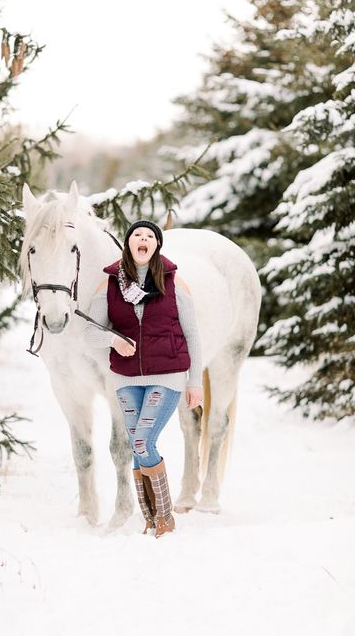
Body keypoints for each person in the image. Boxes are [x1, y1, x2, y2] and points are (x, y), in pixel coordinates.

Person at [84, 220, 204, 538]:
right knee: (139, 447)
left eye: (150, 236)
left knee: (141, 441)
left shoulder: (174, 282)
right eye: (137, 234)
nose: (143, 238)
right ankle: (150, 518)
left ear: (156, 246)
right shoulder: (109, 284)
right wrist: (114, 341)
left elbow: (192, 333)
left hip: (168, 374)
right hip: (126, 378)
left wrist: (195, 382)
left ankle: (164, 516)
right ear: (128, 243)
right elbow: (90, 333)